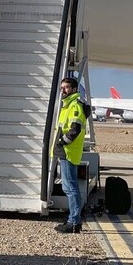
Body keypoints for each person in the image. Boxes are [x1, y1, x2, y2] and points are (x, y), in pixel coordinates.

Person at [53, 77, 86, 233]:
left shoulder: (74, 106)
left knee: (70, 188)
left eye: (66, 88)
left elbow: (74, 130)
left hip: (68, 152)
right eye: (62, 88)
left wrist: (61, 142)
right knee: (70, 188)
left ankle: (73, 222)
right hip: (66, 151)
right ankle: (74, 221)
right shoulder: (68, 105)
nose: (63, 90)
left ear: (74, 89)